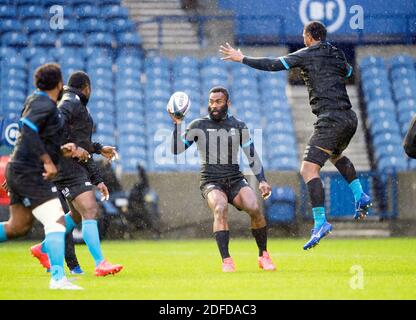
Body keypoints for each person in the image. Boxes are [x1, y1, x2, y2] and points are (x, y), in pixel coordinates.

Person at [220, 21, 372, 250]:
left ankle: (320, 222)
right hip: (349, 118)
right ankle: (360, 195)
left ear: (310, 37)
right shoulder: (337, 53)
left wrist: (242, 58)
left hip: (330, 118)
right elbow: (348, 71)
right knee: (336, 155)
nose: (303, 39)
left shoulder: (306, 54)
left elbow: (273, 65)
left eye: (303, 35)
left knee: (308, 169)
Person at [0, 63, 88, 289]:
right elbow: (27, 128)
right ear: (59, 85)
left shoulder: (36, 101)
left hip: (20, 168)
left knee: (18, 226)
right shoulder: (43, 104)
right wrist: (48, 161)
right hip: (30, 171)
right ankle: (58, 278)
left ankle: (59, 277)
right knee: (57, 221)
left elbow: (34, 136)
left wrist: (61, 149)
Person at [171, 86, 276, 272]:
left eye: (218, 102)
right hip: (211, 181)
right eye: (211, 102)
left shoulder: (238, 126)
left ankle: (263, 255)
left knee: (254, 207)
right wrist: (177, 123)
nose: (213, 105)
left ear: (227, 103)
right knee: (220, 208)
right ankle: (227, 260)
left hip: (235, 179)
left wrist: (262, 180)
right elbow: (176, 150)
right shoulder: (198, 125)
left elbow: (251, 155)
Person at [30, 71, 123, 276]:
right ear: (87, 88)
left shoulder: (72, 102)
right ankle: (100, 263)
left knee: (78, 215)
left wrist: (97, 149)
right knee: (90, 209)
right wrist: (68, 147)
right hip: (68, 167)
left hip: (69, 167)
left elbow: (80, 142)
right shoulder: (70, 102)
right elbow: (55, 124)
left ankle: (43, 248)